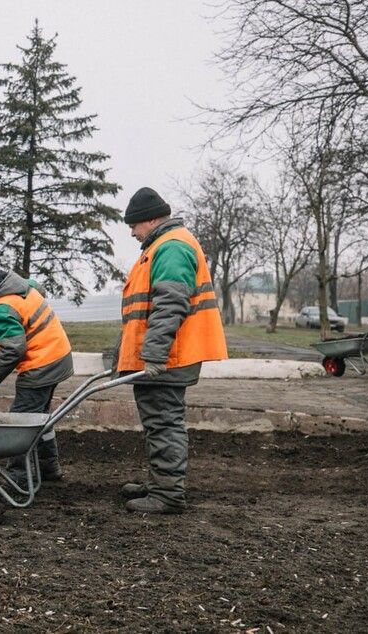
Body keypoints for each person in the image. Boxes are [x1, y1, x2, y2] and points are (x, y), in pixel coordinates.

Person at [116, 187, 227, 514]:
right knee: (157, 423)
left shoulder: (173, 247)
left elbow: (170, 305)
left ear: (151, 220)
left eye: (134, 225)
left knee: (164, 423)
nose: (132, 232)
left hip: (168, 358)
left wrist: (153, 355)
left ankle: (167, 495)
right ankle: (159, 482)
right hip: (163, 356)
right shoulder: (161, 246)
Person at [0, 264, 74, 487]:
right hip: (58, 356)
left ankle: (18, 478)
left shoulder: (0, 308)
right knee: (39, 418)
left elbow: (13, 350)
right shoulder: (19, 287)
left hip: (41, 364)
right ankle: (48, 467)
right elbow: (37, 287)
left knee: (19, 423)